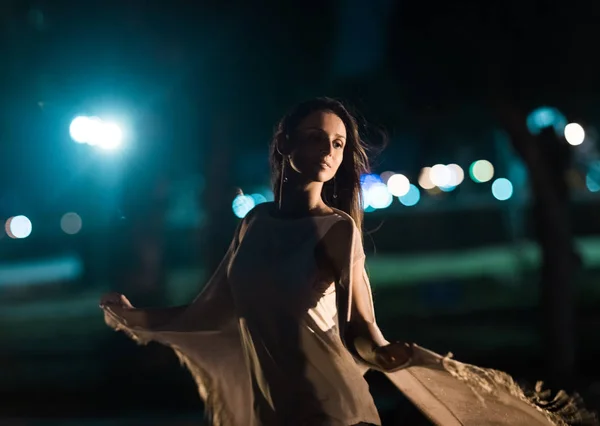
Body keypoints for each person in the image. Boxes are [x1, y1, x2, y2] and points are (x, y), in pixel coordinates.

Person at [101, 98, 597, 426]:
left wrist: (382, 353)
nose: (328, 151)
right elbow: (211, 313)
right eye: (316, 138)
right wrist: (134, 317)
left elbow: (361, 328)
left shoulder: (337, 229)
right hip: (274, 413)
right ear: (285, 144)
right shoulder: (252, 223)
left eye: (337, 143)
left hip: (333, 412)